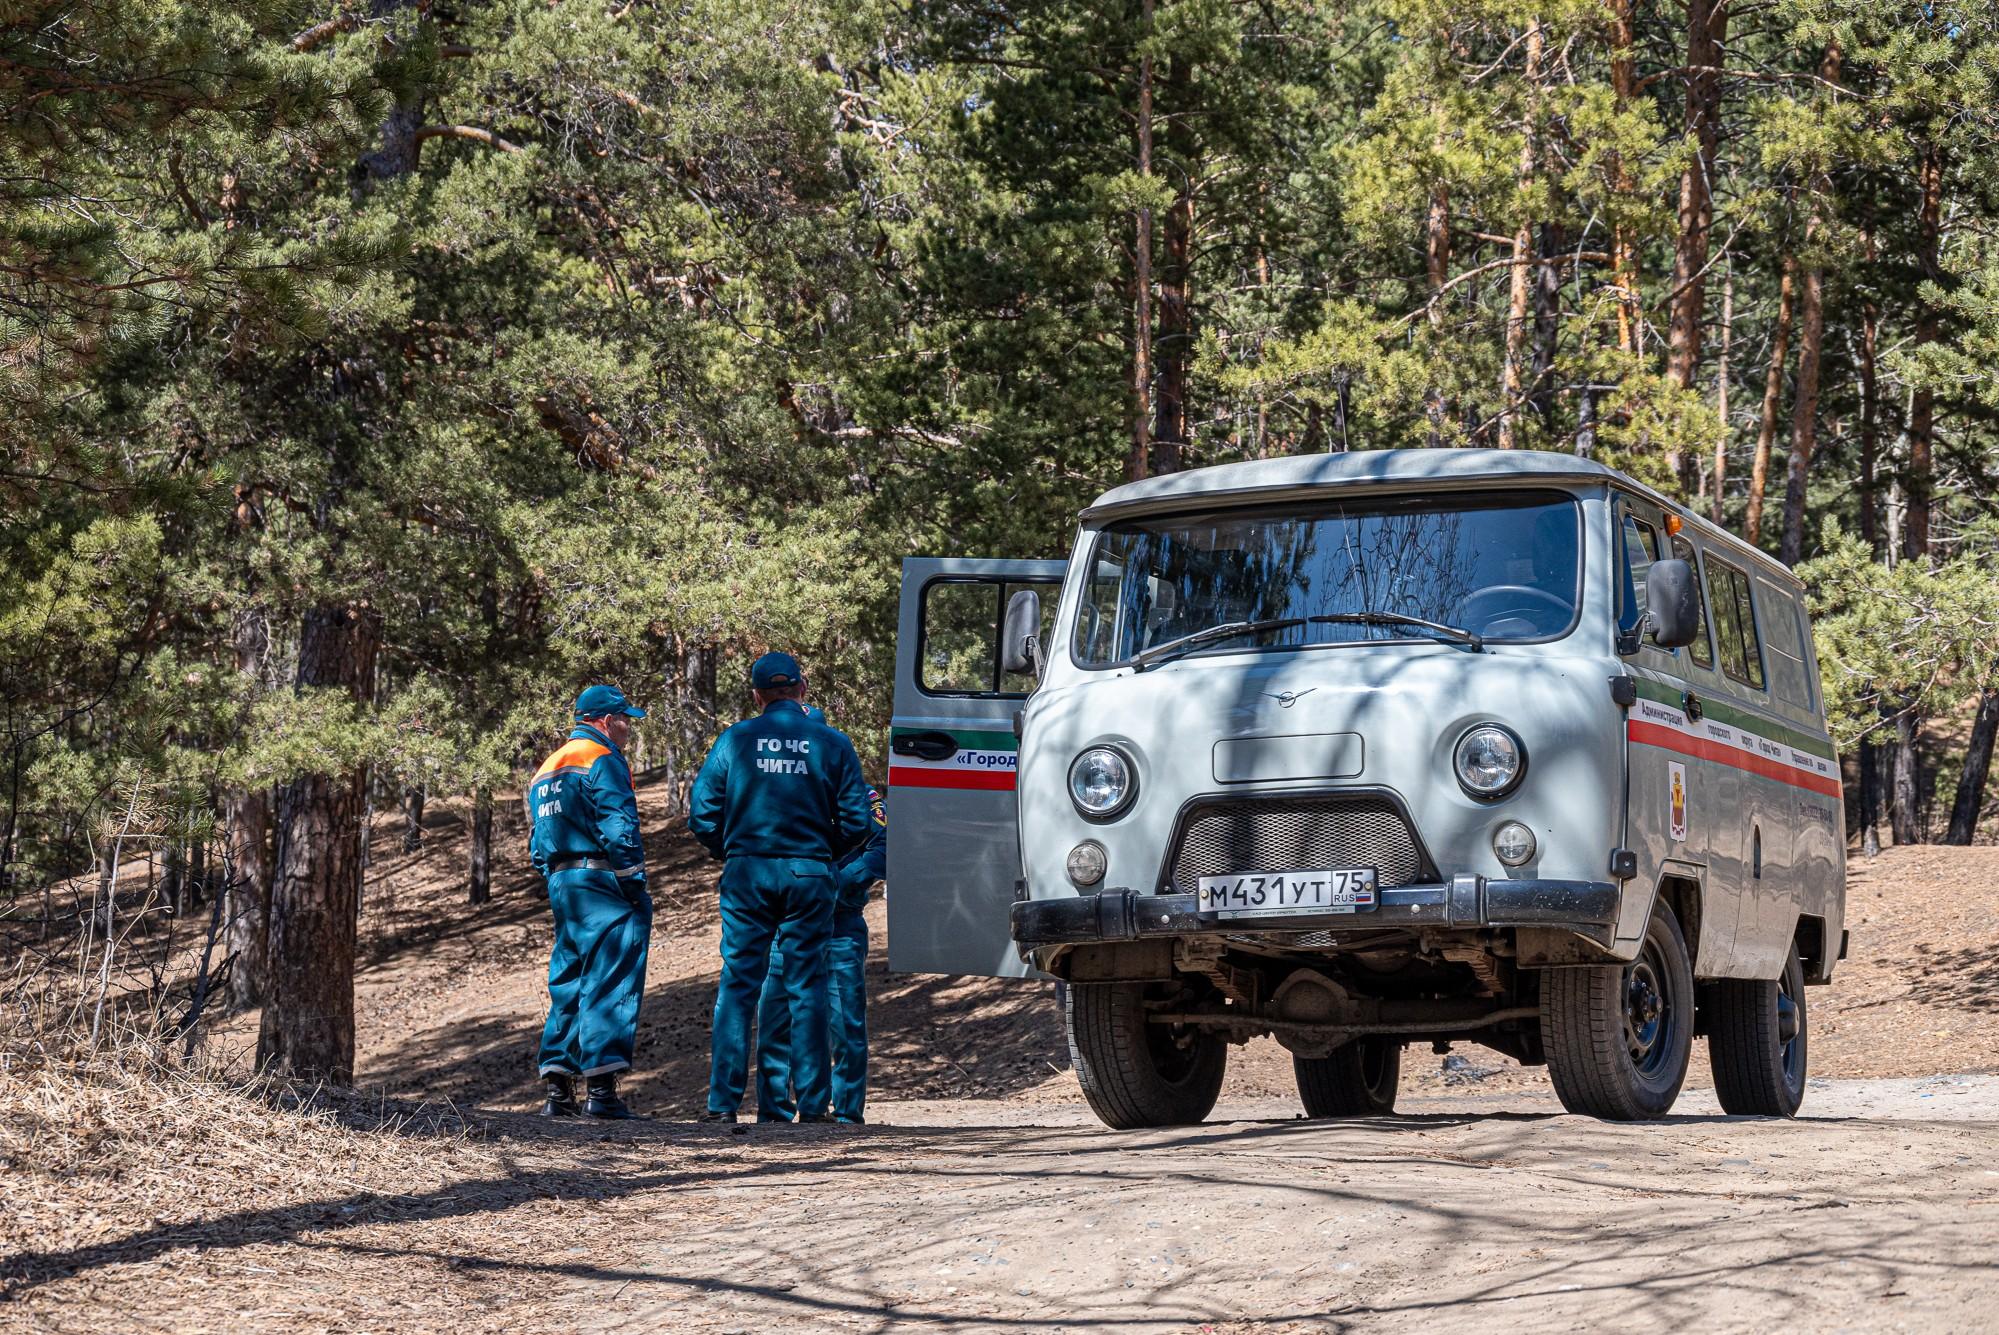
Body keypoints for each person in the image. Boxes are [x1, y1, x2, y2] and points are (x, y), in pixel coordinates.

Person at [688, 653, 873, 1123]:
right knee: (806, 984)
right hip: (807, 875)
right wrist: (819, 853)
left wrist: (734, 850)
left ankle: (722, 1105)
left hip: (747, 873)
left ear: (757, 695)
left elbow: (702, 814)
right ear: (801, 689)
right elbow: (857, 822)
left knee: (738, 984)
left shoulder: (735, 739)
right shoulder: (832, 742)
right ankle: (812, 1106)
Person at [526, 684, 652, 1119]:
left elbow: (537, 844)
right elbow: (619, 825)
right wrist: (633, 881)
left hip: (565, 884)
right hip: (602, 881)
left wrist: (558, 879)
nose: (628, 728)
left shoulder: (548, 767)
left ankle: (558, 1091)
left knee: (568, 981)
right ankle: (601, 1092)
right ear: (605, 721)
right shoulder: (603, 759)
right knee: (610, 979)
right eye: (625, 720)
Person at [755, 704, 885, 1123]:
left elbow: (884, 846)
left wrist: (841, 883)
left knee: (845, 1023)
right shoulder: (777, 792)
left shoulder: (861, 794)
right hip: (788, 923)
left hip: (840, 926)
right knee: (776, 1018)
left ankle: (846, 1113)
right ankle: (774, 1110)